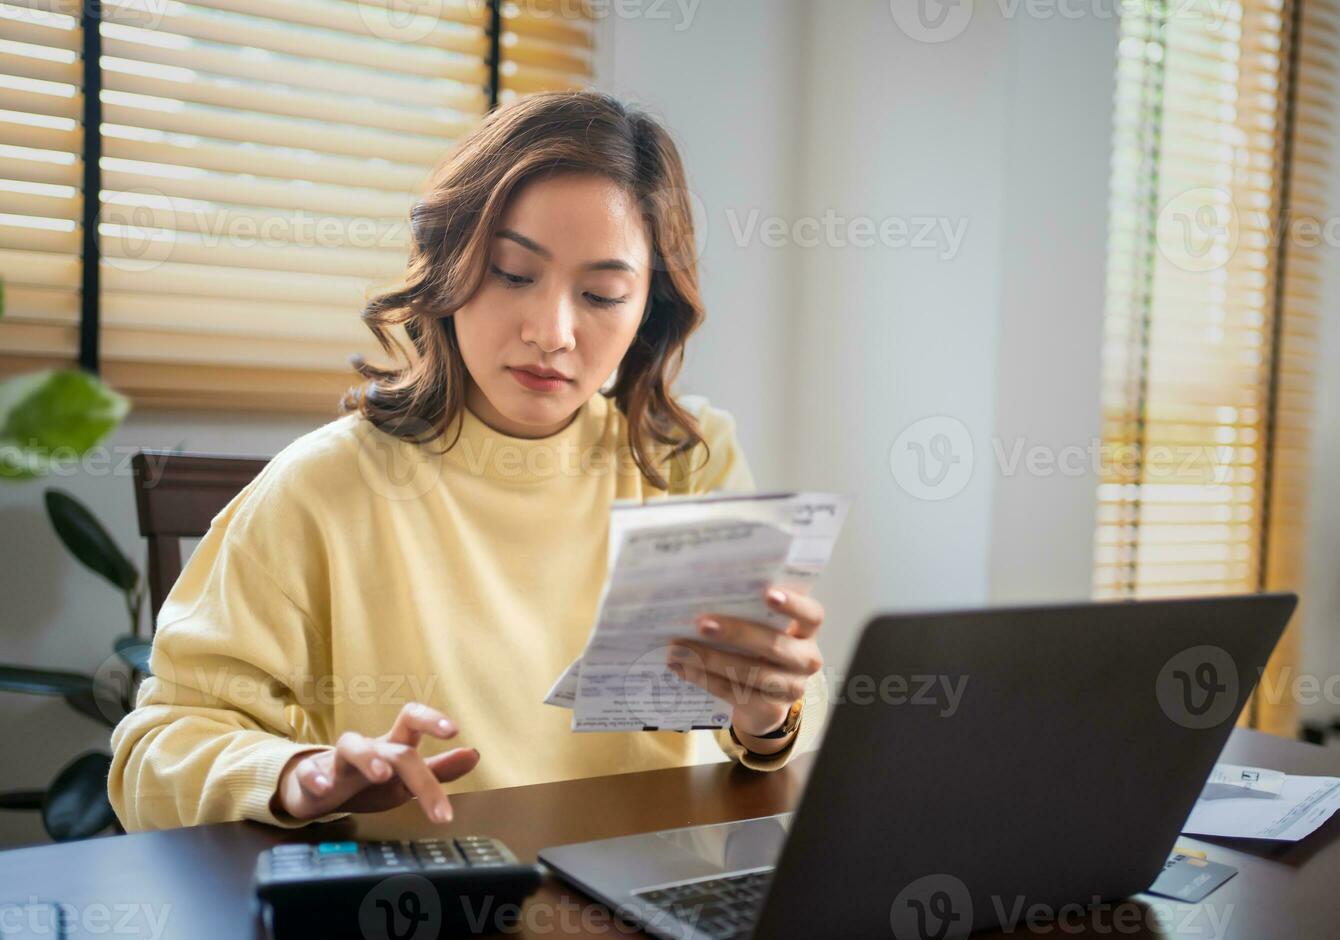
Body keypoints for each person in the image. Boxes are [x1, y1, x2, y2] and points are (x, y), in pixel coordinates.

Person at [108, 91, 828, 832]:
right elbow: (153, 753)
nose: (552, 332)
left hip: (645, 910)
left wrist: (769, 718)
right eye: (515, 274)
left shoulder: (683, 461)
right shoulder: (324, 489)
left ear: (649, 306)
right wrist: (295, 774)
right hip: (424, 920)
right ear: (450, 267)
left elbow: (786, 734)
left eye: (602, 294)